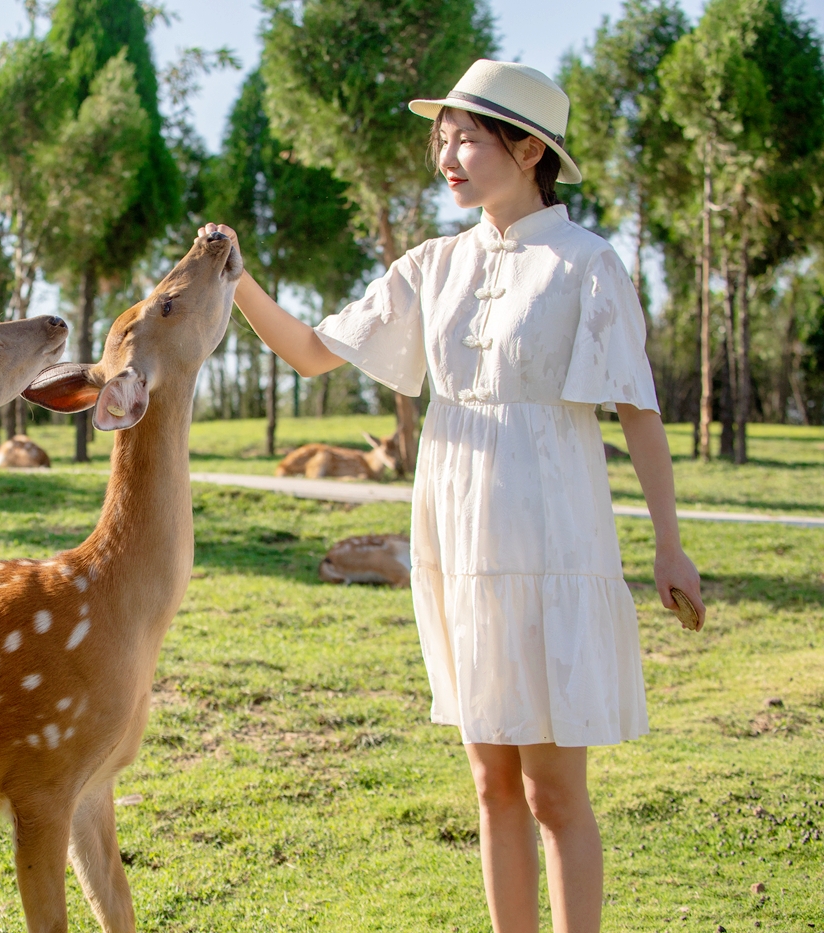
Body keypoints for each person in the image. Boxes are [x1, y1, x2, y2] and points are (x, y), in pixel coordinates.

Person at [204, 59, 705, 933]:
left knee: (554, 789)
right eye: (443, 138)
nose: (448, 153)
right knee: (489, 780)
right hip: (459, 528)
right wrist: (234, 277)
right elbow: (314, 352)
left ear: (526, 146)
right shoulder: (433, 265)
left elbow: (637, 409)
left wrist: (669, 542)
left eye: (467, 136)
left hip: (553, 527)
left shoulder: (588, 263)